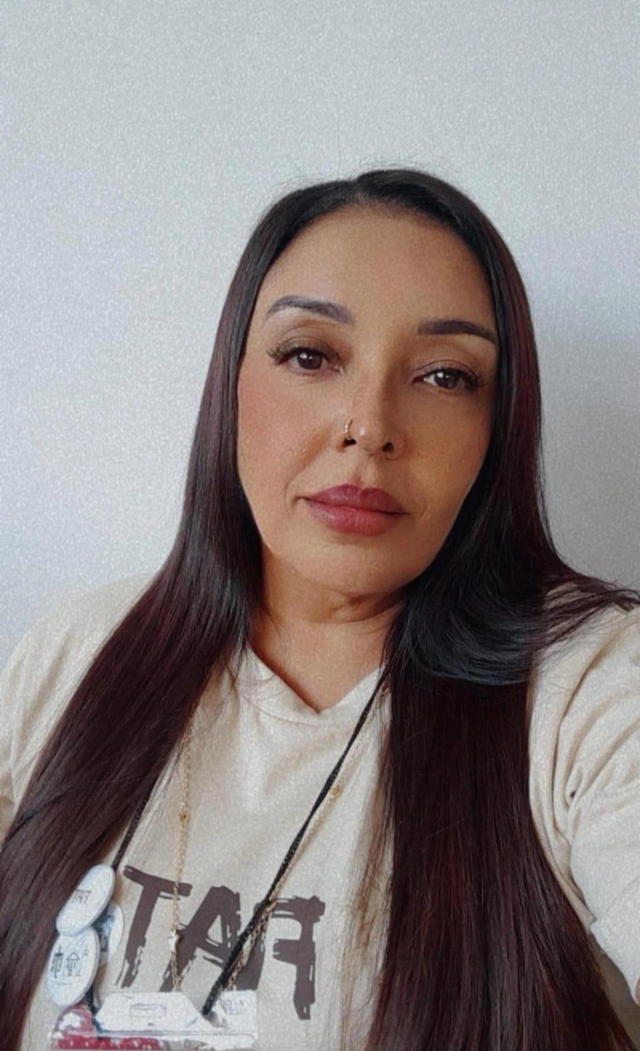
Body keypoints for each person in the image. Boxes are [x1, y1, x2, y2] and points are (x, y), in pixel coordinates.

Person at [1, 167, 639, 1051]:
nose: (369, 424)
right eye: (310, 356)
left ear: (496, 430)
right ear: (231, 384)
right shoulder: (75, 655)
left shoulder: (589, 693)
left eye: (445, 374)